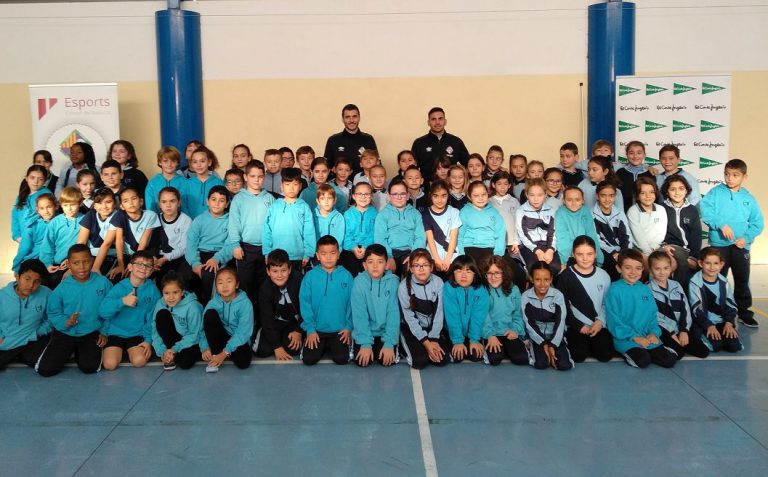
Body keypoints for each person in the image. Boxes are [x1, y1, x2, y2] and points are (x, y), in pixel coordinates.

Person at [699, 159, 764, 328]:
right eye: (727, 174)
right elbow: (705, 210)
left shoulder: (749, 199)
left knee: (742, 279)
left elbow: (758, 223)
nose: (730, 178)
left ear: (744, 176)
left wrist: (746, 238)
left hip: (740, 246)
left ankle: (744, 312)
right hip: (718, 245)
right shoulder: (715, 192)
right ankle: (715, 311)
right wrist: (720, 224)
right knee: (716, 278)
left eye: (735, 175)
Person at [36, 244, 113, 377]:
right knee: (45, 370)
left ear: (92, 261)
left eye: (86, 261)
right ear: (69, 264)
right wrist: (66, 322)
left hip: (91, 332)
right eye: (76, 263)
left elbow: (112, 309)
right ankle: (68, 350)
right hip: (65, 332)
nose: (82, 267)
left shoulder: (103, 283)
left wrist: (104, 332)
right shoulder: (62, 287)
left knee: (90, 367)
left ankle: (78, 351)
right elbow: (53, 313)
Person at [605, 248, 677, 368]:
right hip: (626, 339)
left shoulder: (644, 289)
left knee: (669, 361)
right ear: (619, 268)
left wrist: (654, 333)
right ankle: (628, 353)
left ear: (643, 269)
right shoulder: (614, 290)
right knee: (644, 361)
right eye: (628, 267)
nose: (633, 272)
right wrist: (635, 338)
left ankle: (657, 349)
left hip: (647, 336)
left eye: (638, 268)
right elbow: (614, 322)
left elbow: (652, 316)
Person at [98, 251, 160, 370]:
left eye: (148, 266)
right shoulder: (119, 287)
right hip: (115, 333)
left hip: (137, 334)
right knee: (110, 364)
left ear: (152, 270)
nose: (143, 268)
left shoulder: (153, 291)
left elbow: (152, 319)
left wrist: (148, 340)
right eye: (139, 264)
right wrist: (122, 302)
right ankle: (117, 351)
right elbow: (103, 311)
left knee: (139, 361)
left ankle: (130, 351)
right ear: (130, 267)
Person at [556, 236, 614, 363]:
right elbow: (562, 306)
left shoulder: (604, 276)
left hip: (598, 325)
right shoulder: (566, 276)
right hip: (576, 326)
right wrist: (579, 326)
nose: (585, 258)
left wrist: (600, 322)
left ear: (596, 254)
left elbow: (607, 303)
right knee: (578, 356)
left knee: (605, 355)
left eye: (589, 254)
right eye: (580, 254)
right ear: (573, 254)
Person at [299, 236, 354, 365]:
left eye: (332, 253)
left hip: (340, 330)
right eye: (324, 254)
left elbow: (353, 303)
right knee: (309, 360)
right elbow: (305, 303)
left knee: (341, 359)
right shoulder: (310, 276)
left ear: (338, 254)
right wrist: (310, 330)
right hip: (317, 329)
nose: (328, 257)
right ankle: (316, 344)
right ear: (317, 255)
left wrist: (348, 327)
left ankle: (332, 346)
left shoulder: (346, 275)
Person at [647, 250, 709, 359]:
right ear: (651, 270)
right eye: (657, 269)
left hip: (680, 327)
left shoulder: (676, 285)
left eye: (666, 268)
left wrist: (684, 331)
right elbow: (653, 316)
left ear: (671, 268)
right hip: (663, 330)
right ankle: (657, 346)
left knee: (703, 352)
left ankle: (685, 340)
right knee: (678, 354)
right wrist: (671, 334)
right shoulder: (647, 289)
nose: (662, 272)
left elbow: (686, 309)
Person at [229, 159, 275, 302]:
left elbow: (273, 225)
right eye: (253, 176)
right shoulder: (238, 199)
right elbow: (233, 223)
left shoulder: (269, 198)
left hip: (265, 249)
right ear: (246, 177)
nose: (257, 180)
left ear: (264, 177)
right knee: (246, 285)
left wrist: (271, 247)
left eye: (260, 176)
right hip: (245, 249)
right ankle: (249, 319)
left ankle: (263, 320)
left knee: (265, 285)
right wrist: (235, 245)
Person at [398, 249, 450, 369]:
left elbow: (439, 313)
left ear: (431, 267)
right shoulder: (403, 287)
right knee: (420, 361)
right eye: (416, 265)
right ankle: (403, 344)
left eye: (425, 265)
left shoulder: (438, 283)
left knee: (442, 359)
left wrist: (433, 339)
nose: (421, 269)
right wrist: (427, 344)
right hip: (412, 329)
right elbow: (409, 319)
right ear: (411, 269)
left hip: (432, 329)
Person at [351, 244, 400, 367]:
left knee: (386, 361)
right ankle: (362, 342)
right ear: (364, 265)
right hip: (366, 332)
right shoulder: (359, 282)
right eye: (370, 262)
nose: (375, 266)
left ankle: (391, 344)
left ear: (386, 264)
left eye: (380, 262)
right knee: (363, 362)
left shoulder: (393, 281)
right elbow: (359, 314)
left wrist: (389, 343)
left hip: (385, 333)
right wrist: (365, 344)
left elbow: (393, 313)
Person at [185, 186, 234, 306]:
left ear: (227, 204)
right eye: (213, 199)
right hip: (199, 254)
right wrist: (195, 263)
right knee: (184, 276)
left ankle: (209, 306)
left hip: (218, 254)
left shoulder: (231, 221)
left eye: (221, 200)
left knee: (208, 275)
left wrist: (217, 259)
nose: (217, 203)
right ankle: (191, 308)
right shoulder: (199, 220)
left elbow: (231, 244)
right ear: (207, 201)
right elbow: (191, 243)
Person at [688, 247, 743, 353]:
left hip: (722, 321)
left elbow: (731, 304)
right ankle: (699, 336)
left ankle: (722, 334)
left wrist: (729, 323)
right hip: (704, 322)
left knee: (734, 347)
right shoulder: (695, 283)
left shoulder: (724, 282)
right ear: (700, 263)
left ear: (721, 264)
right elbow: (696, 309)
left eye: (716, 263)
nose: (712, 267)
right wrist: (709, 326)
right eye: (708, 263)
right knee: (716, 346)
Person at [0, 259, 52, 370]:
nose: (31, 285)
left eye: (37, 281)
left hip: (32, 338)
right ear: (17, 276)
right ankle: (14, 351)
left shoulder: (46, 293)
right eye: (27, 279)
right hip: (6, 337)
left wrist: (39, 332)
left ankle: (12, 352)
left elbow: (51, 318)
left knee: (35, 359)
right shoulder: (2, 295)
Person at [522, 262, 573, 371]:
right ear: (531, 279)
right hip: (537, 337)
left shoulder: (558, 295)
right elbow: (529, 323)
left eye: (546, 279)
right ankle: (531, 350)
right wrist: (543, 344)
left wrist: (553, 345)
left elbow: (561, 321)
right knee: (541, 364)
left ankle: (560, 348)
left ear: (551, 279)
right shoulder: (526, 296)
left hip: (556, 336)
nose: (542, 284)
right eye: (538, 279)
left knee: (564, 365)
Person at [200, 267, 254, 372]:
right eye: (220, 283)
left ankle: (225, 353)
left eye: (229, 281)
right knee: (210, 314)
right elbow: (203, 327)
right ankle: (215, 354)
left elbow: (243, 332)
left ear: (237, 284)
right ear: (216, 286)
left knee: (244, 363)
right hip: (220, 337)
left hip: (237, 338)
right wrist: (205, 347)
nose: (224, 286)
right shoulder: (213, 303)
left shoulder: (245, 303)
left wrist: (225, 352)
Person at [262, 167, 316, 270]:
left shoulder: (304, 207)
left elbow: (309, 232)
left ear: (300, 186)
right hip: (276, 255)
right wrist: (267, 252)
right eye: (287, 184)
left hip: (297, 256)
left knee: (296, 283)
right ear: (281, 186)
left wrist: (308, 253)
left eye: (295, 184)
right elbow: (267, 231)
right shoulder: (274, 207)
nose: (291, 188)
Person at [254, 249, 303, 360]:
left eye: (283, 270)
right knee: (262, 351)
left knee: (292, 349)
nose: (279, 275)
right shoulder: (265, 288)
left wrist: (298, 331)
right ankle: (273, 339)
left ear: (289, 269)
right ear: (268, 271)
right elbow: (267, 318)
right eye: (275, 271)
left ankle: (289, 337)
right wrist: (277, 346)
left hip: (293, 322)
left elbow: (306, 309)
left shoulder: (299, 281)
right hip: (274, 322)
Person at [152, 271, 203, 370]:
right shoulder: (160, 303)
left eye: (175, 292)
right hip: (172, 340)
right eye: (166, 293)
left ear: (182, 291)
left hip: (191, 341)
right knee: (162, 314)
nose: (171, 297)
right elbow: (155, 328)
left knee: (185, 363)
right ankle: (169, 355)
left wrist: (175, 349)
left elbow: (195, 334)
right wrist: (162, 351)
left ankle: (172, 354)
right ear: (162, 292)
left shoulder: (193, 306)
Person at [481, 256, 528, 366]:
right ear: (485, 274)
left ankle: (510, 348)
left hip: (509, 332)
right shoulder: (482, 290)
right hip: (492, 333)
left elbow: (518, 314)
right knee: (495, 359)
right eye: (489, 273)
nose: (493, 277)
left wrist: (515, 330)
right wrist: (490, 335)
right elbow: (483, 316)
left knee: (521, 359)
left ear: (504, 273)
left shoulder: (514, 289)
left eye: (497, 273)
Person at [374, 181, 426, 277]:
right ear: (389, 196)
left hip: (409, 251)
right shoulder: (382, 215)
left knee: (412, 272)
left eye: (402, 194)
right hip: (389, 251)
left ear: (407, 196)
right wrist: (388, 256)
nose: (399, 197)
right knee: (388, 276)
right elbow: (380, 238)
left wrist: (414, 255)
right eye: (395, 194)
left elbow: (421, 237)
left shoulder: (415, 214)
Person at [442, 255, 489, 363]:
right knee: (458, 357)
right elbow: (452, 316)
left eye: (468, 271)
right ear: (453, 273)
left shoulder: (481, 290)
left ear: (474, 274)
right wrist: (457, 341)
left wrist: (474, 339)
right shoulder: (448, 288)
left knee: (476, 356)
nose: (463, 275)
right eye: (459, 271)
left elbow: (478, 317)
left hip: (471, 333)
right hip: (453, 332)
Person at [110, 186, 160, 280]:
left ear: (141, 201)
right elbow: (119, 241)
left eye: (134, 199)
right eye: (126, 201)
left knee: (138, 276)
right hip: (126, 255)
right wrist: (121, 265)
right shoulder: (120, 216)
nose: (131, 203)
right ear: (121, 206)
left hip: (143, 254)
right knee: (117, 276)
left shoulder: (150, 215)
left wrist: (134, 264)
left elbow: (143, 243)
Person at [660, 175, 701, 287]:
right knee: (678, 260)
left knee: (699, 264)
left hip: (686, 250)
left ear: (686, 190)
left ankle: (688, 295)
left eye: (681, 188)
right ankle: (676, 292)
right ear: (667, 192)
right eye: (673, 189)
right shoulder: (661, 208)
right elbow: (657, 231)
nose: (677, 192)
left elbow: (696, 236)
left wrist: (693, 257)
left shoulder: (692, 210)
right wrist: (663, 246)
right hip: (668, 247)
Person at [39, 187, 84, 288]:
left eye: (73, 204)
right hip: (55, 263)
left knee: (57, 281)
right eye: (65, 205)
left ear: (80, 203)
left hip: (74, 264)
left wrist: (71, 261)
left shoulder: (85, 220)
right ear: (60, 205)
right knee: (43, 282)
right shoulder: (55, 222)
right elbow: (47, 245)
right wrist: (47, 264)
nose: (69, 208)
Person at [411, 107, 469, 183]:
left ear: (445, 121)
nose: (437, 122)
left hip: (451, 189)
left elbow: (468, 165)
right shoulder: (419, 143)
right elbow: (412, 169)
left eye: (440, 119)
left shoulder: (456, 141)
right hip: (426, 189)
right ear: (428, 122)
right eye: (433, 119)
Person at [151, 187, 193, 287]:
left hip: (178, 257)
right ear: (159, 204)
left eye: (172, 201)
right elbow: (153, 244)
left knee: (177, 280)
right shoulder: (155, 219)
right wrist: (153, 259)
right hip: (158, 258)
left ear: (178, 203)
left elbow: (183, 248)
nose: (168, 205)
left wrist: (164, 259)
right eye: (164, 202)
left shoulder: (186, 220)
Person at [515, 178, 559, 275]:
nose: (536, 199)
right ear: (526, 194)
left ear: (545, 194)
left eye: (539, 195)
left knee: (555, 267)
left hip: (548, 245)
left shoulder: (551, 211)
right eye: (532, 195)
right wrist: (537, 250)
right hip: (529, 246)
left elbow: (554, 232)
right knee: (534, 268)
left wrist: (551, 250)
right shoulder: (521, 211)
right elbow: (523, 235)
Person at [458, 181, 506, 268]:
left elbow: (500, 232)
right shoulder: (464, 212)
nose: (481, 198)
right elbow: (459, 235)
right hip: (470, 247)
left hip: (490, 247)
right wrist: (461, 254)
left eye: (483, 194)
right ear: (469, 196)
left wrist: (498, 253)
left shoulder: (493, 212)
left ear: (488, 194)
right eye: (476, 196)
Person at [592, 181, 633, 281]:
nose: (607, 199)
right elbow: (596, 239)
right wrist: (613, 252)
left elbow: (626, 235)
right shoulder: (591, 214)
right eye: (603, 196)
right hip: (605, 250)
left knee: (632, 264)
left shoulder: (619, 213)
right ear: (597, 196)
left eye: (611, 196)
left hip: (622, 250)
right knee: (612, 266)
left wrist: (623, 252)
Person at [555, 186, 604, 266]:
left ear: (583, 200)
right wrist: (564, 262)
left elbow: (591, 233)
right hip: (569, 255)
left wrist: (598, 257)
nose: (573, 203)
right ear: (563, 201)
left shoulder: (585, 211)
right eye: (569, 200)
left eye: (577, 200)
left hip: (588, 251)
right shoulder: (560, 213)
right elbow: (562, 239)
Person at [324, 103, 378, 174]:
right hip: (339, 184)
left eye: (354, 116)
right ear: (343, 119)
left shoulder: (368, 139)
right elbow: (326, 167)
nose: (351, 120)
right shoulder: (333, 140)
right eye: (347, 117)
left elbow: (377, 165)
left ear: (359, 118)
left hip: (364, 183)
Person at [421, 180, 461, 274]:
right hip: (433, 256)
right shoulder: (426, 214)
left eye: (443, 196)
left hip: (451, 255)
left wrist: (448, 259)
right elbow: (430, 239)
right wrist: (437, 260)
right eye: (436, 196)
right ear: (431, 196)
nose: (440, 200)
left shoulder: (454, 212)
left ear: (448, 195)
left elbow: (453, 237)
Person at [78, 188, 118, 275]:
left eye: (108, 202)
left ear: (114, 203)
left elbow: (106, 244)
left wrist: (95, 268)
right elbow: (81, 242)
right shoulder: (91, 215)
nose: (104, 206)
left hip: (110, 256)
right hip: (90, 255)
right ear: (95, 206)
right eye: (99, 203)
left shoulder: (117, 216)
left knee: (95, 278)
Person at [13, 193, 56, 273]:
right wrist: (16, 267)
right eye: (42, 208)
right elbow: (24, 248)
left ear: (56, 206)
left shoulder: (60, 222)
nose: (46, 211)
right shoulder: (32, 226)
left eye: (49, 207)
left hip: (54, 261)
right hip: (34, 261)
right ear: (37, 209)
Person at [627, 176, 667, 259]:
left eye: (651, 192)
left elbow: (661, 233)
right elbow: (638, 236)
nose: (648, 196)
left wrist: (654, 247)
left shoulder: (661, 209)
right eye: (642, 193)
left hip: (657, 247)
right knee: (647, 264)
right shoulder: (633, 211)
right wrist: (648, 252)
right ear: (637, 196)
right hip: (638, 248)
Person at [342, 182, 377, 277]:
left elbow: (374, 233)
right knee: (351, 273)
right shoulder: (348, 214)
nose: (363, 197)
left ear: (371, 196)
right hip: (351, 249)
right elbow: (346, 234)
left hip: (369, 248)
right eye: (359, 194)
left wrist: (365, 247)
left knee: (368, 274)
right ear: (353, 196)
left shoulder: (375, 213)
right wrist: (353, 248)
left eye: (367, 194)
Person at [182, 146, 225, 218]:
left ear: (209, 162)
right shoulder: (187, 184)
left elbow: (223, 204)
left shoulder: (218, 182)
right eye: (195, 162)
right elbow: (183, 205)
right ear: (191, 164)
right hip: (192, 224)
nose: (199, 165)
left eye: (202, 161)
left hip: (213, 224)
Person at [12, 165, 52, 242]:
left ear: (45, 181)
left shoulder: (46, 195)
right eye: (32, 178)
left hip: (40, 240)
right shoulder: (22, 195)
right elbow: (15, 216)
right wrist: (17, 236)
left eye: (40, 179)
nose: (36, 182)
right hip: (23, 239)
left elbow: (48, 218)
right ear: (26, 178)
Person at [145, 146, 187, 214]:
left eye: (173, 161)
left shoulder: (185, 182)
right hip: (158, 221)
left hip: (181, 221)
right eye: (165, 161)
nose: (169, 164)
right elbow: (150, 206)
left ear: (178, 163)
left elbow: (186, 206)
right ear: (160, 162)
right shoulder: (152, 183)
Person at [616, 141, 654, 212]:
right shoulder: (620, 172)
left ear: (644, 155)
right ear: (627, 155)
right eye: (631, 153)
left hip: (646, 214)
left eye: (639, 153)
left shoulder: (651, 173)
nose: (635, 156)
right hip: (624, 213)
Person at [314, 184, 346, 250]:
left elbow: (339, 239)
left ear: (334, 200)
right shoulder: (312, 217)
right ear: (318, 201)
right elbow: (311, 236)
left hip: (333, 252)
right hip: (317, 252)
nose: (326, 201)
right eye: (322, 198)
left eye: (329, 198)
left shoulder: (339, 218)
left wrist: (336, 253)